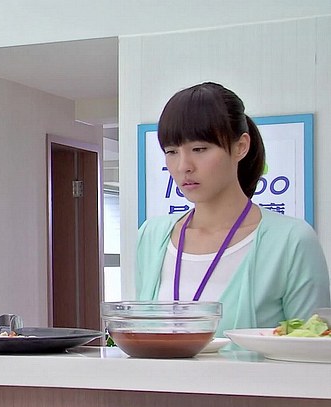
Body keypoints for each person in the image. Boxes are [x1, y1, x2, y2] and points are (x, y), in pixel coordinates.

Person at [136, 82, 330, 336]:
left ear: (240, 146)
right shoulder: (152, 235)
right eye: (171, 152)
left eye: (199, 149)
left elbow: (312, 345)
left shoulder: (291, 240)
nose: (183, 166)